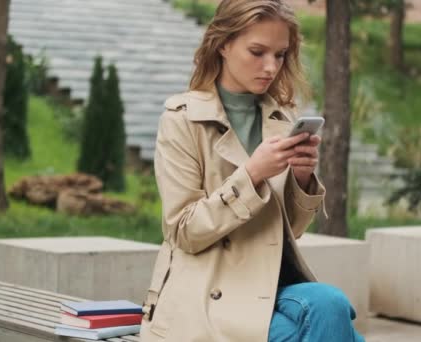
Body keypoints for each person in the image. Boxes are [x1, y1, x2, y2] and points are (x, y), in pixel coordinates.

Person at [140, 0, 365, 341]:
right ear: (224, 44)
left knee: (331, 302)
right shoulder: (182, 120)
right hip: (208, 292)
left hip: (270, 284)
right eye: (257, 52)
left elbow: (290, 231)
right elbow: (183, 230)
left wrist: (301, 179)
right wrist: (252, 174)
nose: (271, 66)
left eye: (280, 54)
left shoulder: (281, 118)